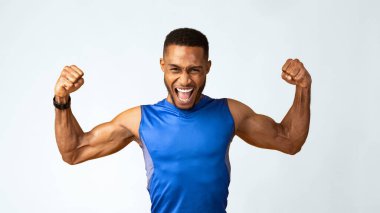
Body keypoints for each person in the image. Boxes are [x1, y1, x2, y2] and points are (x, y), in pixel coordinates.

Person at [54, 28, 311, 213]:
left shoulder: (229, 113)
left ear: (207, 67)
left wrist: (303, 88)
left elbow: (290, 141)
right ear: (163, 66)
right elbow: (74, 151)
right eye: (175, 69)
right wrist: (62, 100)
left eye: (194, 70)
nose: (185, 81)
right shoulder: (141, 120)